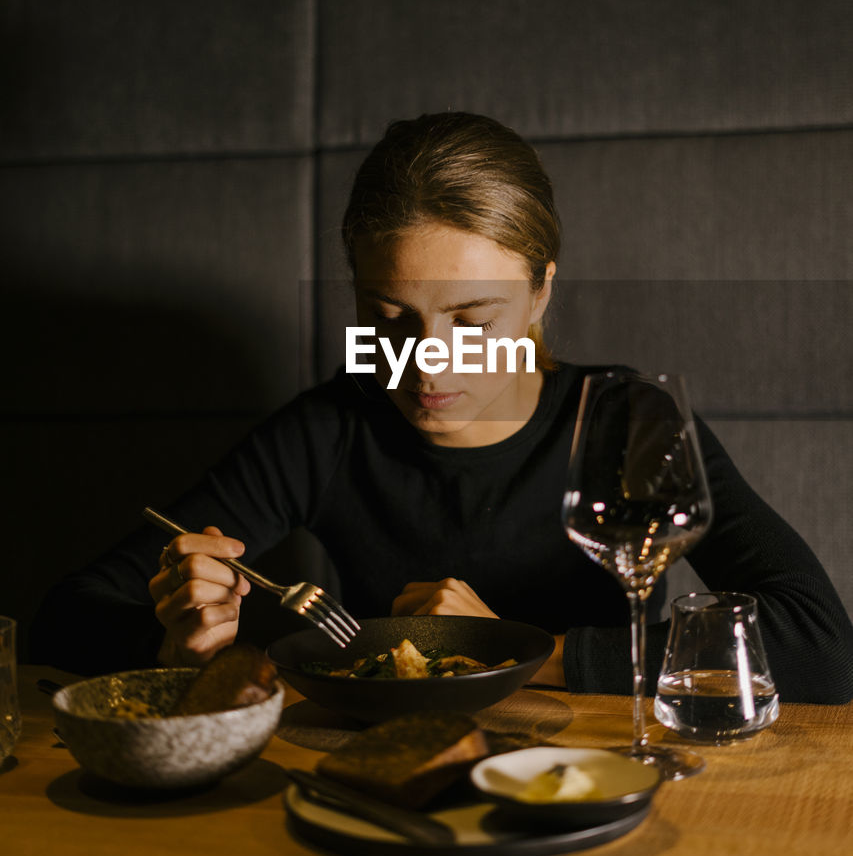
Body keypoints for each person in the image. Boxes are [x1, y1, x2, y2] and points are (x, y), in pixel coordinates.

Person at [29, 112, 853, 703]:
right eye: (388, 317)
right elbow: (65, 617)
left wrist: (520, 652)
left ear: (538, 293)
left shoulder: (624, 418)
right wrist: (177, 640)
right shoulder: (330, 427)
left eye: (471, 318)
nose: (423, 361)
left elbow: (821, 649)